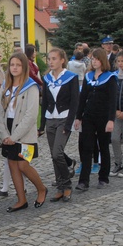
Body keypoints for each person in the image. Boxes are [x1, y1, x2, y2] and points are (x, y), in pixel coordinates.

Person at [0, 52, 48, 210]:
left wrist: (14, 136)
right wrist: (5, 135)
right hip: (8, 129)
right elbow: (0, 112)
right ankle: (21, 200)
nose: (14, 68)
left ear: (24, 67)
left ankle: (41, 188)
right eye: (12, 64)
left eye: (18, 65)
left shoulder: (31, 87)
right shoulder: (5, 86)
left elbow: (31, 115)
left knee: (23, 165)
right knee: (12, 164)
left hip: (25, 134)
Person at [40, 48, 79, 202]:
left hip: (64, 119)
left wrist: (69, 123)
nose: (51, 61)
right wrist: (41, 125)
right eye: (49, 58)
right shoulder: (47, 78)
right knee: (54, 156)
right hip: (50, 118)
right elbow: (45, 103)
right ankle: (61, 187)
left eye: (54, 58)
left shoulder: (71, 77)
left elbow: (75, 102)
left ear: (62, 60)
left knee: (57, 153)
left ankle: (67, 185)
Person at [76, 48, 117, 190]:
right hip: (88, 116)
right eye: (92, 59)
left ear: (102, 60)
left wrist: (111, 120)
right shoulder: (88, 76)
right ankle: (83, 180)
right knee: (86, 147)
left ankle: (103, 177)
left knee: (103, 147)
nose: (94, 61)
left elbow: (113, 101)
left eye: (96, 59)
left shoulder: (110, 78)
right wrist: (78, 117)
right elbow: (82, 98)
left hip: (103, 117)